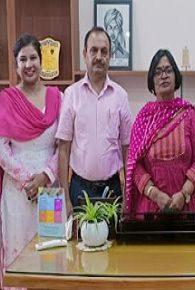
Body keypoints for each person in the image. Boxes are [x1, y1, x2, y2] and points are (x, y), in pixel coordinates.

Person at [0, 34, 62, 290]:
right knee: (20, 252)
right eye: (23, 59)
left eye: (33, 58)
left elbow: (63, 145)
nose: (29, 64)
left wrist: (44, 176)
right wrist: (26, 180)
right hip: (18, 193)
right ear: (16, 65)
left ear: (41, 61)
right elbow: (0, 147)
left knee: (51, 248)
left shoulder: (58, 97)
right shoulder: (8, 99)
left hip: (49, 189)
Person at [124, 50, 195, 217]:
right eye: (158, 71)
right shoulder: (144, 118)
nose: (163, 75)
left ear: (175, 76)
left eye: (168, 70)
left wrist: (184, 193)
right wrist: (155, 194)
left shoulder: (189, 114)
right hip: (151, 207)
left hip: (187, 204)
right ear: (152, 80)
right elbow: (134, 164)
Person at [56, 26, 132, 213]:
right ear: (85, 54)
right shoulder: (71, 94)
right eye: (94, 50)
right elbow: (63, 148)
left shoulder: (120, 96)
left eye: (104, 51)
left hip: (112, 188)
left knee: (112, 241)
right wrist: (65, 196)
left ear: (110, 56)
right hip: (79, 189)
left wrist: (128, 194)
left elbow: (127, 148)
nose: (99, 56)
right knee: (79, 242)